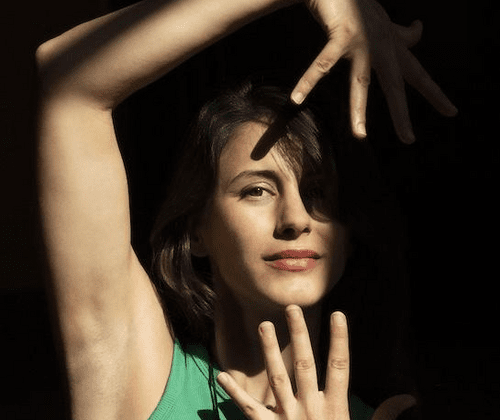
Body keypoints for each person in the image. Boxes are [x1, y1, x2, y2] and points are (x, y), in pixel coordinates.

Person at [35, 0, 456, 419]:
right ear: (196, 228)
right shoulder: (140, 379)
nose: (296, 219)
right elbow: (68, 83)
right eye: (257, 190)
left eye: (316, 193)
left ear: (348, 232)